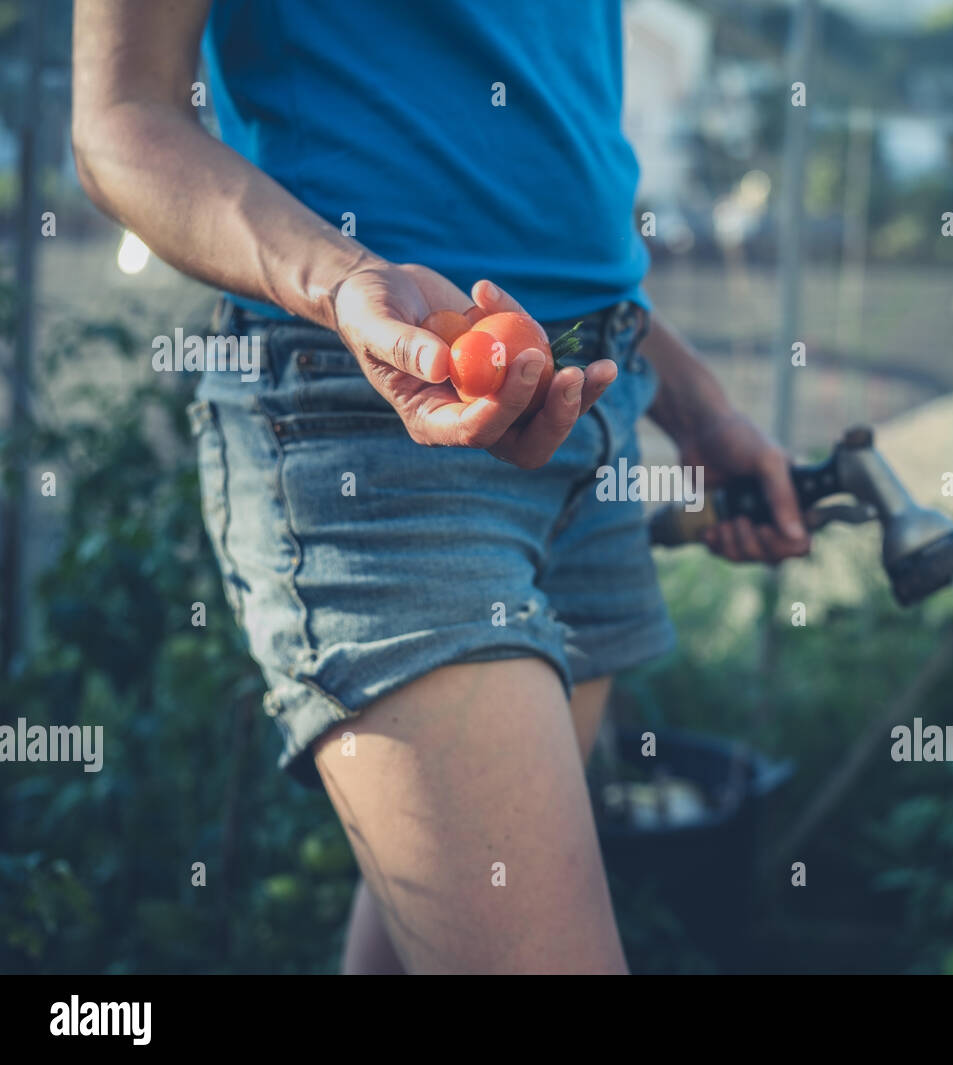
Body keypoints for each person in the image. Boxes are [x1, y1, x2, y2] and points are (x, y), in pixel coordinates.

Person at [71, 0, 810, 974]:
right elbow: (123, 118)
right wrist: (340, 280)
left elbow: (542, 152)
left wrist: (693, 403)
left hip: (589, 397)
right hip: (371, 426)